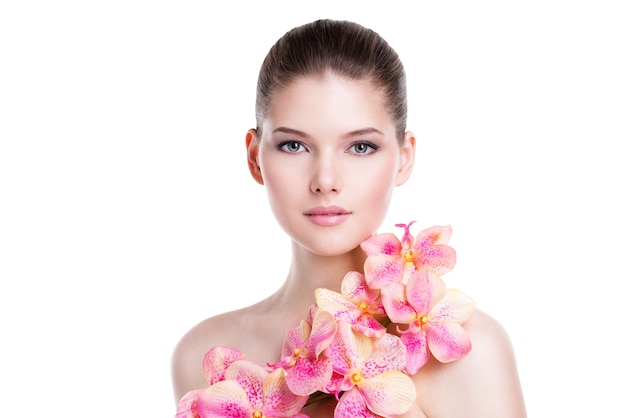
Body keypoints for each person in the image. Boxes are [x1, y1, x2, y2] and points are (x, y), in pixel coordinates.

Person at [171, 19, 527, 417]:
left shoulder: (469, 351)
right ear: (255, 158)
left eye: (360, 146)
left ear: (404, 158)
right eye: (293, 145)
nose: (325, 181)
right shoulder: (206, 360)